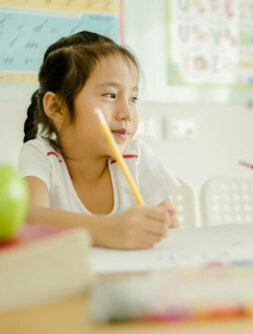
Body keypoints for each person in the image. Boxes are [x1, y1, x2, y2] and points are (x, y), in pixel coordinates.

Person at [19, 31, 179, 250]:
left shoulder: (137, 157)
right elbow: (31, 219)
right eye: (110, 95)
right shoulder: (40, 153)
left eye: (133, 98)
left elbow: (172, 234)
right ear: (57, 108)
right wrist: (104, 230)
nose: (127, 113)